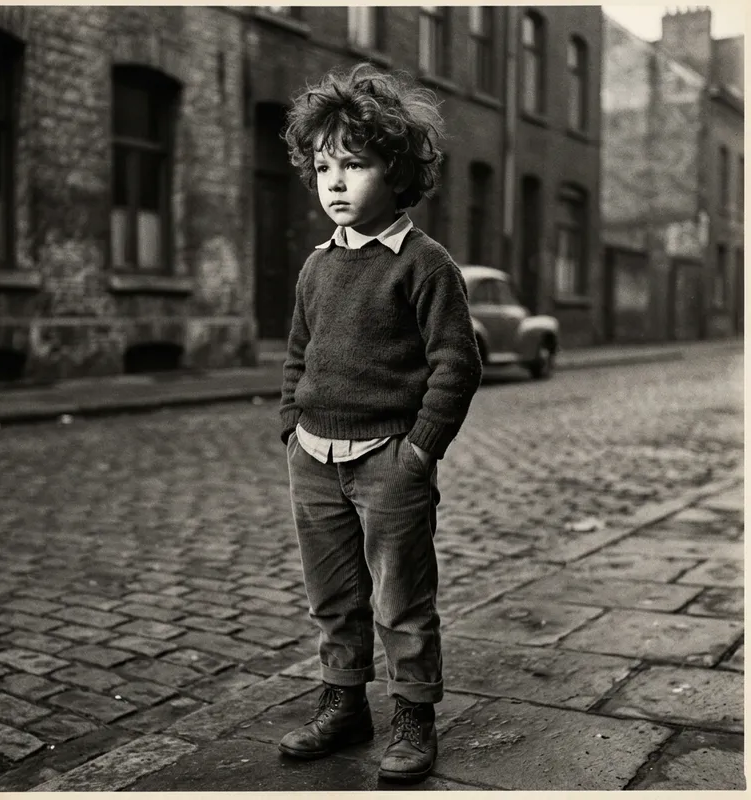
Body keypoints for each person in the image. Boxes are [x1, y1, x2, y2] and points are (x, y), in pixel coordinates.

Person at [277, 63, 482, 784]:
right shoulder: (314, 267)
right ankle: (343, 705)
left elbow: (456, 365)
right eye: (324, 166)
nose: (335, 183)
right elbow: (298, 353)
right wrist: (289, 426)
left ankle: (414, 718)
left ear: (396, 171)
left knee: (401, 599)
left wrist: (419, 452)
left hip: (388, 460)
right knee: (332, 596)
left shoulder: (425, 266)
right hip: (314, 456)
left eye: (355, 166)